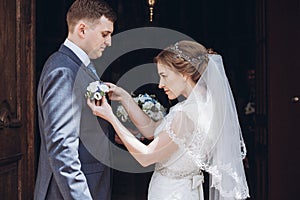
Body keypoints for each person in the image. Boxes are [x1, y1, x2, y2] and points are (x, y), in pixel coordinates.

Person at [87, 40, 250, 199]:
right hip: (187, 191)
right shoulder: (208, 106)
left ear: (184, 74)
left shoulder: (184, 114)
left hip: (171, 193)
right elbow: (152, 130)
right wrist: (125, 98)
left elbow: (146, 156)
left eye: (164, 75)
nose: (160, 84)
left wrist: (110, 117)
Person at [34, 0, 117, 199]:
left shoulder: (78, 66)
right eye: (105, 34)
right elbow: (62, 147)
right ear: (82, 29)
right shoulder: (63, 71)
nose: (109, 42)